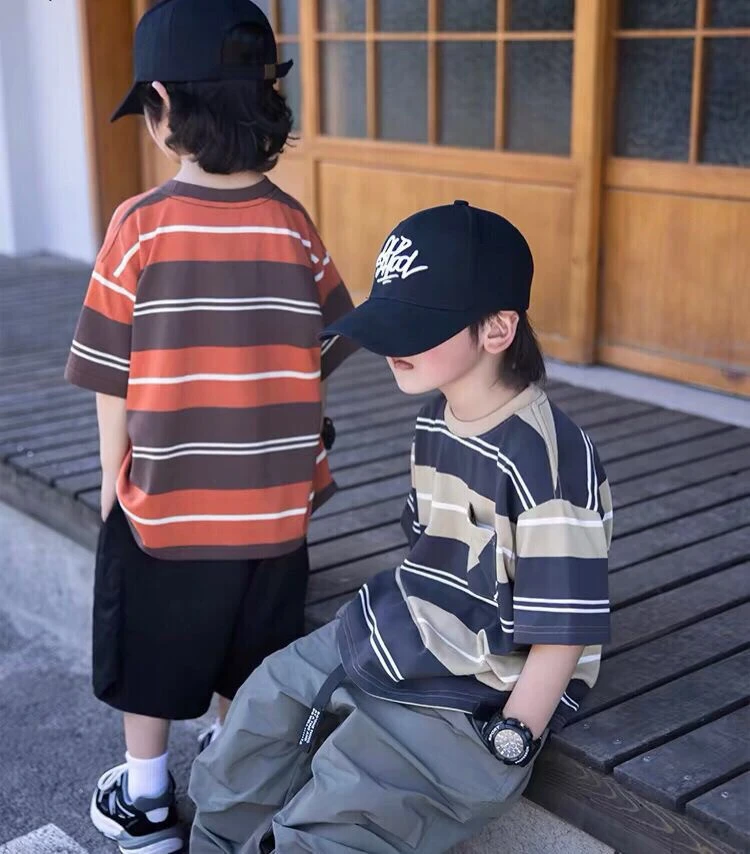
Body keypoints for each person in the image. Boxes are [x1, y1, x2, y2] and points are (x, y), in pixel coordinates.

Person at [189, 200, 613, 853]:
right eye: (386, 321)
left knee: (347, 807)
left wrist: (514, 736)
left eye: (415, 324)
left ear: (497, 330)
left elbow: (563, 632)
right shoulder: (436, 420)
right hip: (407, 623)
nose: (389, 345)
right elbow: (428, 544)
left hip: (481, 681)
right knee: (265, 705)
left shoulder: (548, 461)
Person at [63, 1, 356, 851]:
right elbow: (328, 344)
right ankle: (232, 773)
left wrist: (114, 480)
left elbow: (109, 372)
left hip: (168, 506)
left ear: (161, 104)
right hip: (273, 509)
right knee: (251, 652)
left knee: (150, 651)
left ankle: (147, 799)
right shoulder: (294, 226)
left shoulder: (139, 226)